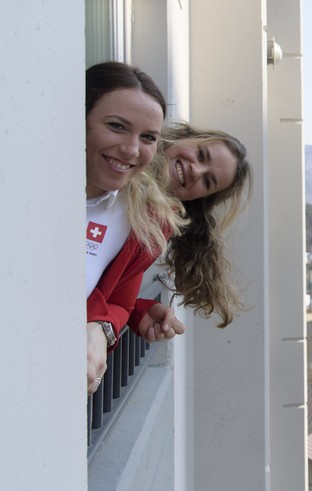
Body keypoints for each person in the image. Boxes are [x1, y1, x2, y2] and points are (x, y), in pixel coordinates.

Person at [85, 61, 187, 394]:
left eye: (148, 137)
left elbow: (118, 303)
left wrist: (101, 328)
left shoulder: (144, 222)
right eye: (116, 126)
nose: (131, 149)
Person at [130, 121, 252, 341]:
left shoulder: (153, 233)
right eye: (202, 155)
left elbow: (103, 289)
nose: (196, 170)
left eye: (207, 181)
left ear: (198, 199)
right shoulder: (119, 157)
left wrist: (136, 311)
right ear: (185, 136)